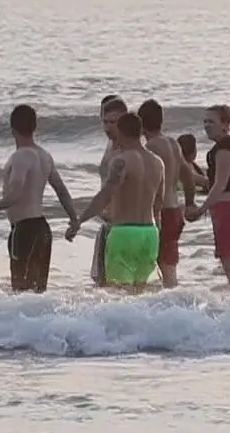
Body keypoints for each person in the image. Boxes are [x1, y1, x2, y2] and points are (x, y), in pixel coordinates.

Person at [68, 112, 167, 289]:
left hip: (124, 233)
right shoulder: (158, 162)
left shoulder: (121, 161)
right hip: (150, 233)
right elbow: (159, 203)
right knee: (142, 293)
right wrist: (157, 234)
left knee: (118, 293)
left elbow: (106, 195)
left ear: (120, 133)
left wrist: (79, 221)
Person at [0, 104, 80, 293]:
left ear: (12, 128)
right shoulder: (45, 156)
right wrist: (73, 219)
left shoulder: (20, 157)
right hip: (42, 229)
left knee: (20, 290)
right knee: (39, 291)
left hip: (23, 229)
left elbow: (15, 193)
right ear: (35, 127)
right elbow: (62, 191)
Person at [188, 105, 230, 286]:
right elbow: (229, 181)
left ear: (226, 124)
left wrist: (201, 209)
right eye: (204, 122)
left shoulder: (225, 146)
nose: (206, 126)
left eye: (211, 121)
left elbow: (221, 184)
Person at [137, 100, 191, 289]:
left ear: (141, 123)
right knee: (169, 265)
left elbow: (150, 186)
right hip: (176, 209)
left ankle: (171, 308)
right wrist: (190, 202)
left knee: (160, 267)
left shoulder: (151, 147)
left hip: (162, 212)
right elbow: (187, 174)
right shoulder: (173, 143)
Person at [91, 96, 128, 285]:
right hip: (107, 223)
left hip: (123, 224)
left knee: (120, 285)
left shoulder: (127, 149)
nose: (108, 127)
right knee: (101, 282)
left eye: (113, 122)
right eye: (105, 122)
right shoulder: (110, 144)